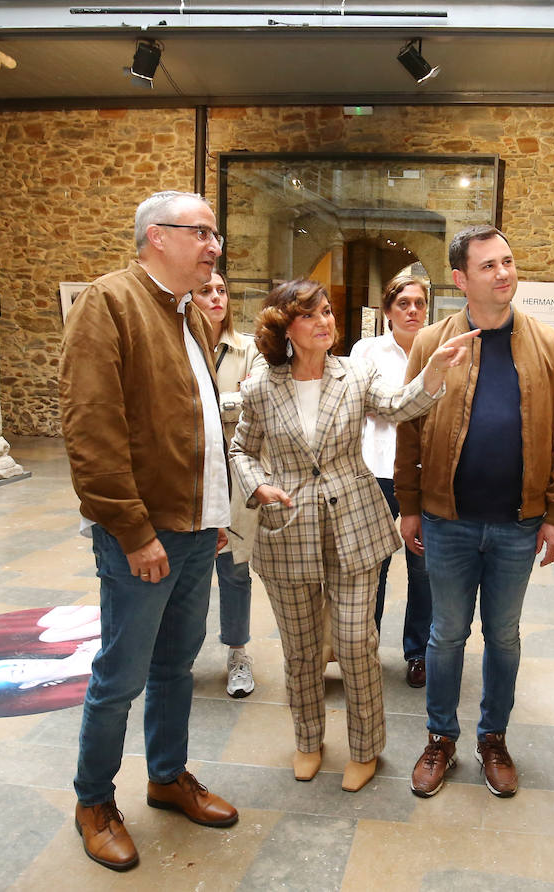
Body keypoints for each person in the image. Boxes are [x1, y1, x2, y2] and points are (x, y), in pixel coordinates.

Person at [230, 278, 477, 793]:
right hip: (288, 527)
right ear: (285, 328)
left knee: (354, 641)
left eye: (326, 312)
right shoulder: (259, 388)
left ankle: (366, 748)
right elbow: (241, 451)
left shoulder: (354, 374)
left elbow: (399, 405)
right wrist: (260, 486)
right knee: (300, 650)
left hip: (355, 526)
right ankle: (308, 741)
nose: (325, 322)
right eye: (310, 315)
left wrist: (432, 373)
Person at [59, 190, 238, 873]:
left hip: (194, 528)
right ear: (156, 237)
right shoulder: (110, 303)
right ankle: (94, 801)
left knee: (175, 666)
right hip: (144, 534)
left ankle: (167, 776)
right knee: (121, 674)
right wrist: (133, 531)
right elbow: (91, 428)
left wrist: (212, 510)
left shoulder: (187, 313)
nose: (214, 245)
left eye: (214, 234)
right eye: (203, 233)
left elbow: (195, 422)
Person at [396, 225, 554, 799]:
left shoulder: (549, 346)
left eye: (508, 261)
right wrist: (408, 507)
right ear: (461, 279)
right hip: (447, 522)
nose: (504, 273)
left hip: (516, 524)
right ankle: (440, 738)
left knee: (503, 636)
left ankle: (494, 738)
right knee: (446, 635)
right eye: (489, 266)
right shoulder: (433, 342)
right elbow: (409, 427)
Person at [349, 273, 435, 688]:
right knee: (373, 568)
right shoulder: (365, 351)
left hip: (423, 473)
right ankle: (366, 650)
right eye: (404, 304)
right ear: (387, 311)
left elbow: (433, 409)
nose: (413, 310)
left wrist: (388, 407)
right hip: (375, 471)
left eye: (419, 303)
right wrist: (401, 407)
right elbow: (360, 405)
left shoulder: (438, 348)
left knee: (424, 569)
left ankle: (418, 653)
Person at [190, 268, 260, 698]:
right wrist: (229, 402)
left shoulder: (248, 348)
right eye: (205, 291)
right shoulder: (177, 344)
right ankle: (181, 656)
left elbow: (254, 400)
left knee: (234, 570)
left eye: (221, 291)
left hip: (235, 473)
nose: (216, 298)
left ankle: (238, 654)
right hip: (190, 473)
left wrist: (203, 404)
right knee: (191, 572)